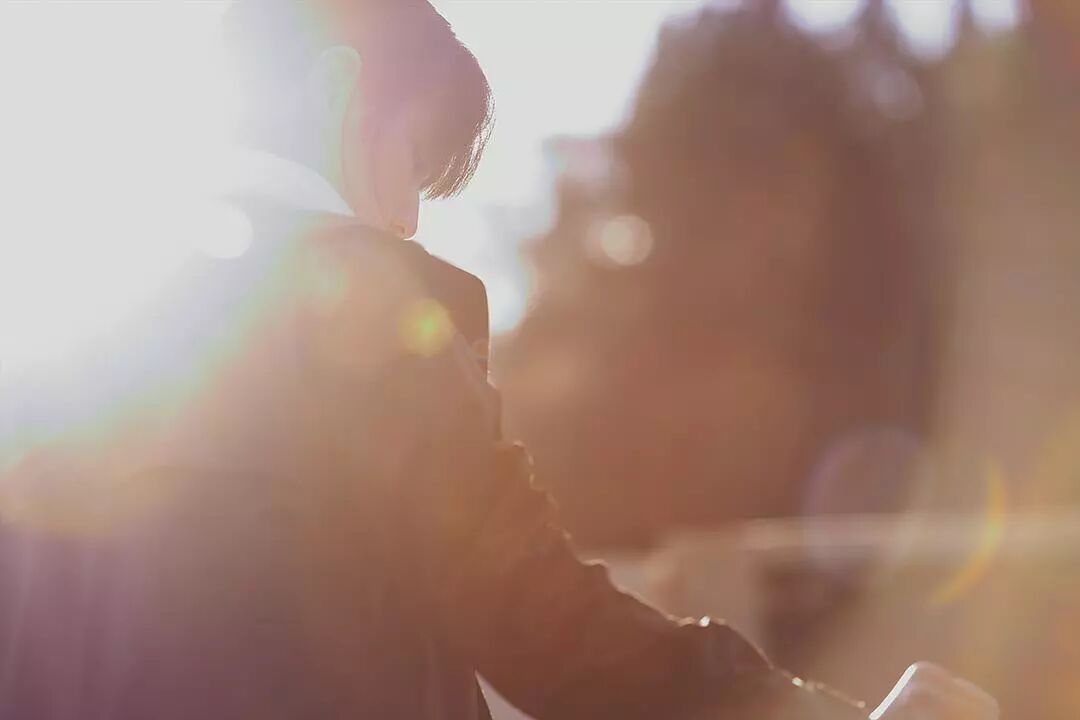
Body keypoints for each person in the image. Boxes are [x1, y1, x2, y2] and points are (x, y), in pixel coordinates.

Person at [0, 0, 997, 718]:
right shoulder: (355, 320)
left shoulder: (56, 354)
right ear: (339, 92)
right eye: (411, 164)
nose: (408, 218)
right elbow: (545, 624)